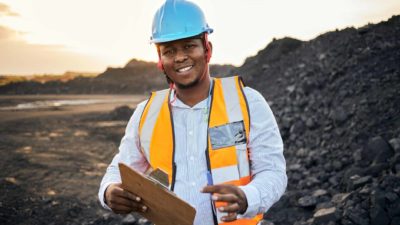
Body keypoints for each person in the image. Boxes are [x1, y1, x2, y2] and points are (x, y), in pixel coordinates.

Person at [98, 0, 287, 224]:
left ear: (207, 49)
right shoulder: (145, 114)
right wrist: (109, 191)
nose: (180, 57)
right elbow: (120, 167)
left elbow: (273, 171)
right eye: (169, 51)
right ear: (160, 60)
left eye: (189, 46)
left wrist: (248, 197)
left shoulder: (247, 102)